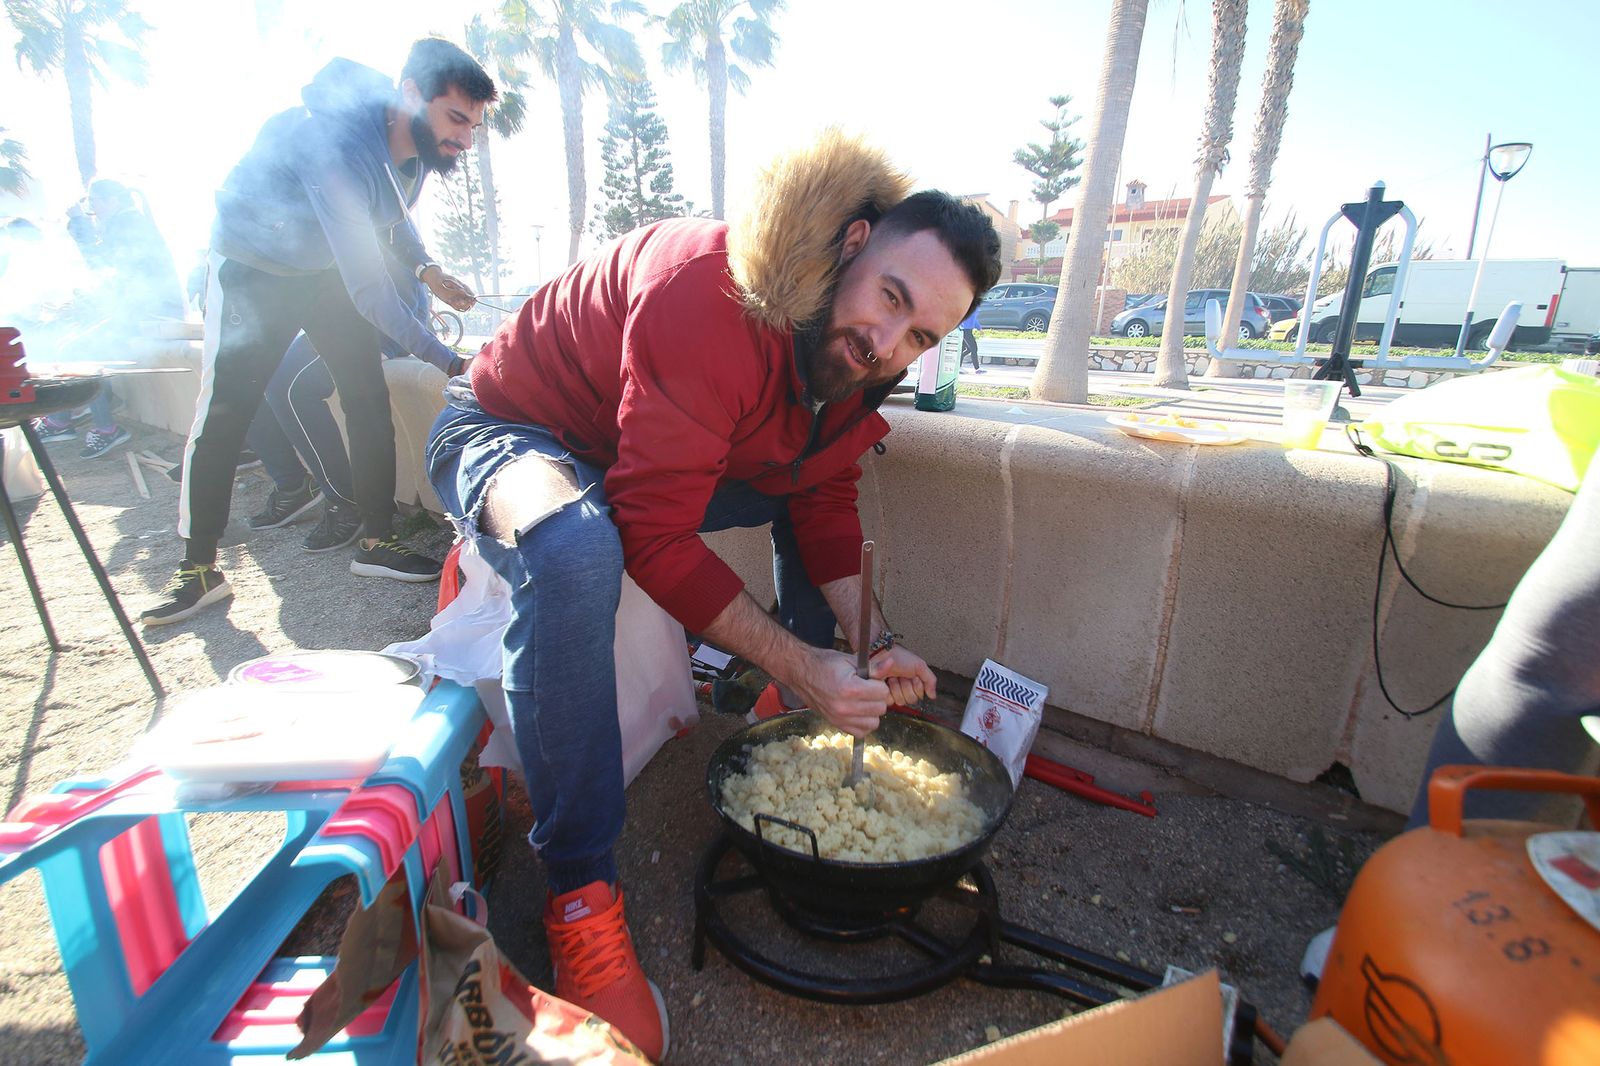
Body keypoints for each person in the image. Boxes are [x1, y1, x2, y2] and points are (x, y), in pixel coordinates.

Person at [425, 131, 1002, 1058]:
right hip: (506, 430)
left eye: (920, 336)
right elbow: (652, 531)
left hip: (631, 448)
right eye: (890, 299)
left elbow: (819, 495)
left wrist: (869, 637)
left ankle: (805, 707)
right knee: (578, 553)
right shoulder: (711, 294)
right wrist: (787, 651)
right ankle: (577, 886)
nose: (886, 344)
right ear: (853, 243)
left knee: (771, 524)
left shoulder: (860, 359)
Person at [140, 38, 493, 626]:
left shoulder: (415, 145)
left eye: (474, 124)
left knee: (366, 395)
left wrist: (429, 270)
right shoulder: (332, 143)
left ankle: (377, 542)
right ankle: (198, 567)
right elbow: (369, 290)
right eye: (456, 117)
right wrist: (450, 363)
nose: (464, 137)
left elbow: (390, 217)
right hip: (255, 266)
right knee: (227, 407)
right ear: (410, 95)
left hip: (320, 270)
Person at [34, 179, 186, 458]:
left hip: (153, 311)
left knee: (80, 349)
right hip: (137, 308)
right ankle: (61, 420)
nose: (91, 208)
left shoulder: (128, 223)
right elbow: (115, 278)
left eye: (94, 202)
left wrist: (80, 224)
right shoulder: (124, 222)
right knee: (65, 343)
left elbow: (100, 261)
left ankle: (106, 429)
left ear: (112, 201)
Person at [959, 305, 983, 372]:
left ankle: (958, 366)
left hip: (968, 330)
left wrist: (979, 328)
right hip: (965, 330)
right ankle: (977, 369)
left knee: (967, 349)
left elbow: (973, 319)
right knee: (974, 348)